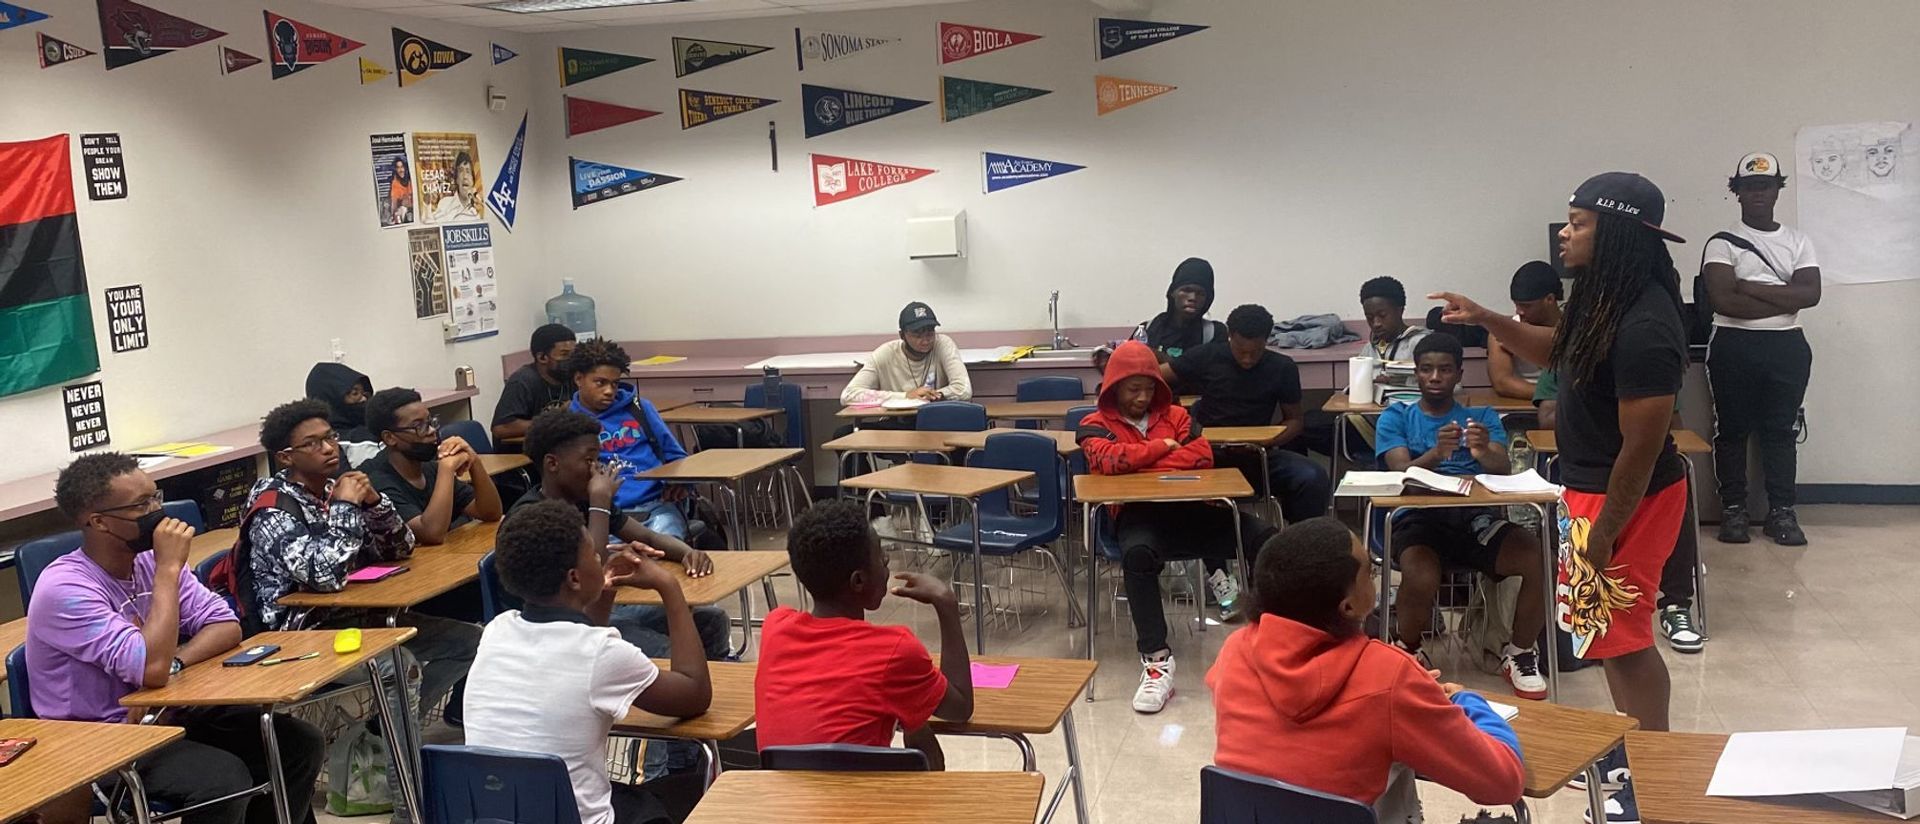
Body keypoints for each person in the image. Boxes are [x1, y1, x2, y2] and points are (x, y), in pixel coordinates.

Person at [1433, 171, 1692, 824]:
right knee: (1607, 637)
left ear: (1620, 235)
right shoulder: (1606, 300)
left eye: (1579, 223)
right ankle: (1635, 755)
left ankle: (1648, 773)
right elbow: (1558, 347)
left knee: (1625, 640)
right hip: (1592, 493)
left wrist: (1605, 531)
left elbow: (1643, 443)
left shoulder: (1647, 324)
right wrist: (1491, 318)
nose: (1564, 234)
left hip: (1624, 499)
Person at [29, 454, 325, 824]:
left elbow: (225, 624)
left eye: (156, 497)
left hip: (167, 711)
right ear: (99, 522)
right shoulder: (65, 589)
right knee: (222, 778)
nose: (157, 511)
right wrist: (168, 571)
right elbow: (151, 667)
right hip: (101, 737)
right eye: (142, 505)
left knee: (296, 745)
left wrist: (176, 662)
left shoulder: (149, 560)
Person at [235, 399, 480, 821]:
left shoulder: (334, 487)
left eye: (330, 437)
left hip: (351, 619)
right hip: (296, 636)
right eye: (313, 443)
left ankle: (383, 728)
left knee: (469, 643)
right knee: (398, 666)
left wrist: (371, 504)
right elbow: (325, 574)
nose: (329, 447)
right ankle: (411, 807)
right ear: (286, 457)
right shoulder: (272, 508)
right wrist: (347, 509)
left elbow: (401, 547)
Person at [1207, 518, 1524, 823]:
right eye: (1370, 573)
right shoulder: (1388, 675)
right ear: (1348, 607)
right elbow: (1503, 781)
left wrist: (1406, 691)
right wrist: (1467, 700)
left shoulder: (1235, 649)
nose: (1375, 576)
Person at [464, 500, 711, 824]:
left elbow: (575, 643)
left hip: (502, 814)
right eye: (596, 555)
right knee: (701, 787)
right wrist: (669, 587)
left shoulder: (497, 631)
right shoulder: (602, 653)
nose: (604, 557)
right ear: (575, 578)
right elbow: (695, 694)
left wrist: (604, 589)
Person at [1077, 340, 1278, 714]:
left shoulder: (1177, 416)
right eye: (1133, 389)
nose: (1142, 397)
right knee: (1137, 556)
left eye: (1149, 388)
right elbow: (1110, 462)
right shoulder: (1093, 424)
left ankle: (1274, 648)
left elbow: (1201, 454)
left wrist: (1148, 460)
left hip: (1192, 511)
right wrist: (1163, 450)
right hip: (1138, 516)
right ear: (1114, 386)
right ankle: (1156, 662)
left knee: (1266, 538)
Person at [1373, 333, 1548, 699]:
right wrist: (1437, 453)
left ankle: (1519, 653)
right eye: (1426, 370)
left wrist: (1483, 450)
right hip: (1418, 521)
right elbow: (1399, 473)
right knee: (1421, 573)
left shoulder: (1480, 416)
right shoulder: (1397, 415)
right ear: (1416, 374)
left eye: (1444, 369)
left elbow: (1501, 466)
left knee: (1534, 553)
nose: (1435, 377)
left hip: (1474, 519)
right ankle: (1408, 649)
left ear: (1459, 374)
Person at [754, 499, 973, 769]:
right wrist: (946, 603)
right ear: (858, 581)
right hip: (864, 808)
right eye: (880, 555)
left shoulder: (775, 628)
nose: (886, 561)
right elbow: (961, 708)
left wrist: (914, 712)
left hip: (784, 805)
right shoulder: (895, 650)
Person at [511, 408, 730, 662]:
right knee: (667, 652)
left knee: (712, 622)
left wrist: (688, 552)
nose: (598, 470)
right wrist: (600, 502)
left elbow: (649, 537)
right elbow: (591, 572)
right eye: (589, 460)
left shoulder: (581, 498)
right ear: (552, 464)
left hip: (602, 610)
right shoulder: (531, 518)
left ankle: (713, 692)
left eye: (599, 459)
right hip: (562, 629)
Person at [1537, 370, 1706, 656]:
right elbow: (1547, 417)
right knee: (1611, 642)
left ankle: (1676, 604)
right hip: (1583, 481)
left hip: (1633, 485)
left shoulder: (1638, 343)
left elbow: (1662, 426)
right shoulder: (1574, 345)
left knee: (1625, 643)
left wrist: (1602, 536)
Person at [1700, 151, 1820, 546]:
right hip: (1734, 344)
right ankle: (1734, 511)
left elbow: (1811, 294)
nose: (1758, 193)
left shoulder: (1798, 241)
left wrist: (1748, 285)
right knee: (1731, 430)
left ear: (1776, 190)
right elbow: (1723, 300)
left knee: (1781, 431)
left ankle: (1782, 513)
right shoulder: (1721, 243)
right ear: (1737, 192)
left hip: (1787, 346)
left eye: (1765, 185)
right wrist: (1784, 296)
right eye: (1749, 186)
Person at [1166, 302, 1331, 523]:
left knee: (1312, 477)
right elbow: (1154, 379)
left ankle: (1299, 544)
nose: (1247, 359)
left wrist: (1268, 441)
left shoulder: (1282, 367)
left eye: (1256, 352)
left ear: (1266, 340)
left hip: (1257, 456)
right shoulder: (1205, 356)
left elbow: (1294, 420)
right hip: (1208, 455)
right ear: (1230, 336)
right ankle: (1209, 550)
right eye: (1241, 351)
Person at [566, 338, 692, 537]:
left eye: (614, 384)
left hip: (655, 506)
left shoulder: (639, 409)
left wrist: (681, 482)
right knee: (613, 560)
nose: (609, 391)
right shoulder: (567, 421)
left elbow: (676, 456)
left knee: (664, 550)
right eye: (600, 383)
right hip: (604, 513)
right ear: (579, 379)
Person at [361, 387, 502, 545]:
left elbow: (491, 512)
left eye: (430, 422)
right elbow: (431, 534)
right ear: (390, 437)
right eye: (419, 426)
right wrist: (447, 470)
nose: (432, 431)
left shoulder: (428, 466)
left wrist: (473, 460)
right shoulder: (377, 482)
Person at [838, 301, 973, 407]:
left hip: (934, 419)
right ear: (902, 335)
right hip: (897, 421)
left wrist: (933, 396)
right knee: (843, 432)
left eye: (930, 333)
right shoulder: (885, 354)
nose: (925, 340)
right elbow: (848, 395)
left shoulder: (943, 344)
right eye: (917, 335)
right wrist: (906, 396)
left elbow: (964, 389)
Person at [1129, 257, 1231, 361]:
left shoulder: (1215, 333)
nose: (1193, 298)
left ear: (1208, 299)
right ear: (1173, 292)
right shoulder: (1147, 329)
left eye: (1201, 293)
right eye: (1186, 290)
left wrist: (1158, 357)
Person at [1488, 261, 1563, 400]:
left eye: (1526, 306)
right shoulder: (1503, 331)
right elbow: (1502, 383)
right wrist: (1554, 397)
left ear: (1550, 299)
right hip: (1520, 408)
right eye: (1516, 304)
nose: (1519, 311)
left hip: (1566, 410)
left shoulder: (1576, 330)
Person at [492, 323, 579, 444]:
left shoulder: (573, 377)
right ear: (542, 357)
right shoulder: (522, 381)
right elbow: (501, 428)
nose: (571, 360)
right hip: (523, 453)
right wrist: (556, 417)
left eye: (573, 354)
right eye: (564, 354)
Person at [304, 362, 380, 465]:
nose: (364, 399)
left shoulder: (375, 428)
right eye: (355, 394)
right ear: (332, 399)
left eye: (365, 393)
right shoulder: (353, 441)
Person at [1360, 275, 1431, 374]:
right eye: (1369, 317)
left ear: (1400, 311)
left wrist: (1394, 381)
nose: (1376, 324)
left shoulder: (1420, 343)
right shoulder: (1369, 349)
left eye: (1382, 315)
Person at [429, 150, 481, 222]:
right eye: (461, 171)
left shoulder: (476, 213)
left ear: (473, 181)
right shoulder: (445, 204)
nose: (465, 176)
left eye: (468, 171)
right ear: (456, 179)